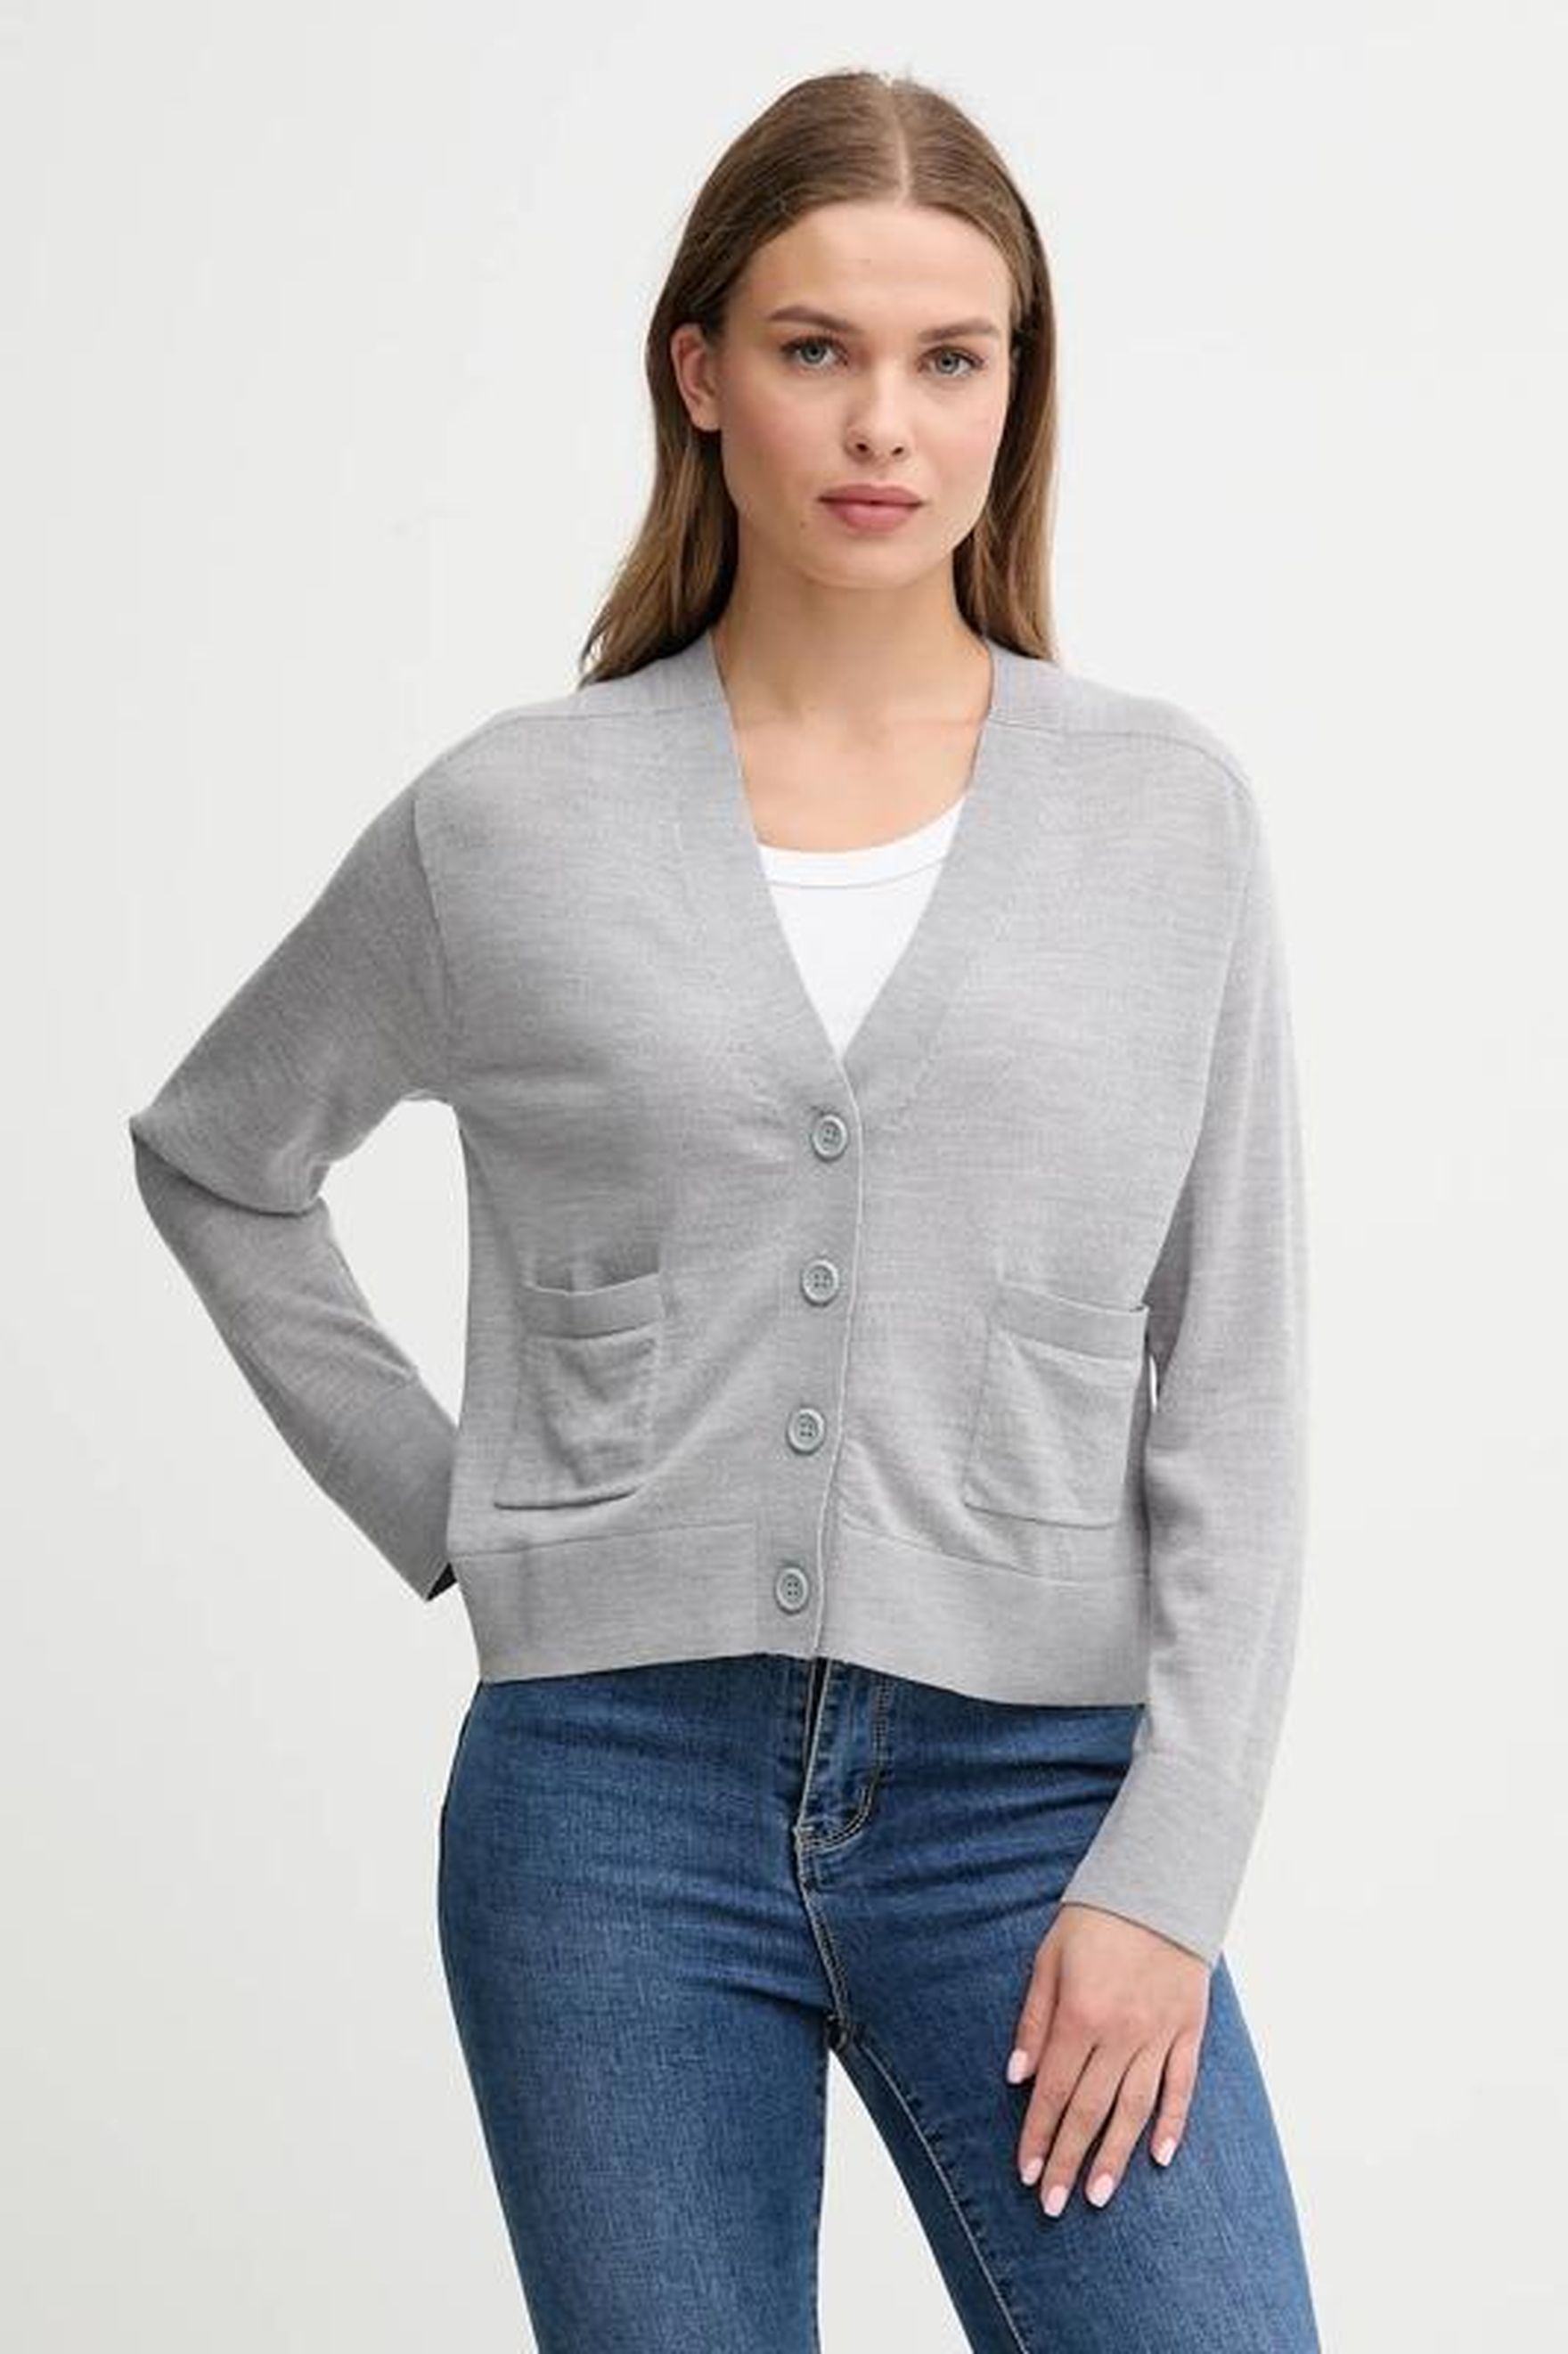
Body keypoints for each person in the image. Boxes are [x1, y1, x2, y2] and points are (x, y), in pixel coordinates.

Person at [128, 67, 1321, 2353]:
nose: (883, 422)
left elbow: (1236, 1373)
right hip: (608, 1810)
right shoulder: (510, 822)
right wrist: (463, 1505)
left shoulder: (1162, 816)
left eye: (948, 357)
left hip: (1036, 1800)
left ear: (1014, 392)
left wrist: (1170, 1872)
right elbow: (219, 1155)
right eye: (813, 348)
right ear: (697, 372)